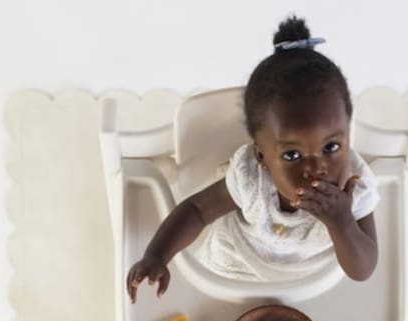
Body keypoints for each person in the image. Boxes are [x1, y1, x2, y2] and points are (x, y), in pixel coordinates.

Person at [127, 15, 379, 303]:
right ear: (261, 156)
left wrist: (342, 223)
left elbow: (363, 268)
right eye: (292, 155)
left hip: (308, 282)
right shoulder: (252, 178)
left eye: (332, 147)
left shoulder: (355, 188)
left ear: (347, 133)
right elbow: (197, 211)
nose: (316, 168)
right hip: (234, 268)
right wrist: (157, 255)